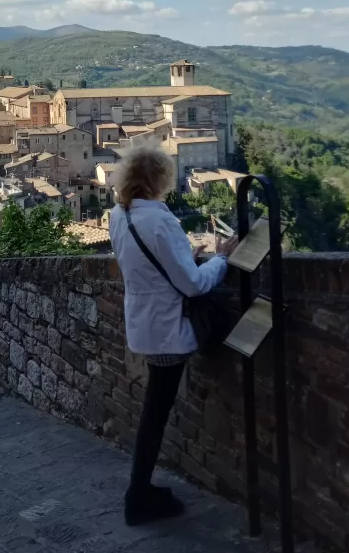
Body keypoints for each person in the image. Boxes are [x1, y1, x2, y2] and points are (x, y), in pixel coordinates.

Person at [109, 142, 237, 526]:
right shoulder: (161, 221)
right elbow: (194, 285)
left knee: (155, 407)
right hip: (167, 330)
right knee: (155, 412)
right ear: (159, 179)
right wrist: (222, 259)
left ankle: (140, 490)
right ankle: (138, 495)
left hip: (143, 324)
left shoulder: (119, 215)